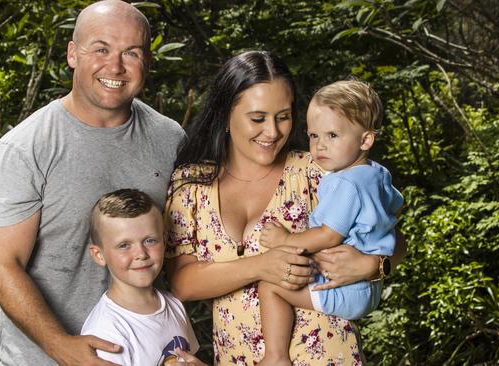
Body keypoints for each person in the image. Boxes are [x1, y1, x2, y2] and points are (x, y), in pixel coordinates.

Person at [0, 1, 185, 365]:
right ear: (73, 53)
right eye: (100, 49)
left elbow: (184, 248)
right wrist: (60, 346)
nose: (115, 66)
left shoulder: (170, 139)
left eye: (131, 52)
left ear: (146, 61)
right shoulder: (25, 148)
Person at [165, 50, 407, 365]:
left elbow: (391, 236)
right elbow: (182, 283)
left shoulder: (318, 171)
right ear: (225, 115)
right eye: (257, 118)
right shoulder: (192, 184)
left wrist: (374, 265)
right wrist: (262, 265)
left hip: (329, 354)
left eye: (283, 116)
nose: (273, 132)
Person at [257, 80, 404, 366]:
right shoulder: (376, 174)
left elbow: (328, 236)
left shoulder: (346, 183)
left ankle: (274, 358)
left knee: (270, 285)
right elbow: (392, 213)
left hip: (343, 288)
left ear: (366, 140)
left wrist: (285, 240)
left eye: (333, 135)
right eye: (313, 135)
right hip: (367, 288)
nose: (319, 145)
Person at [81, 188, 201, 365]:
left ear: (164, 240)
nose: (141, 254)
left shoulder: (174, 305)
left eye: (150, 240)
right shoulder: (106, 331)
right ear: (99, 255)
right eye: (124, 245)